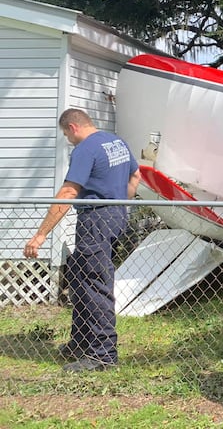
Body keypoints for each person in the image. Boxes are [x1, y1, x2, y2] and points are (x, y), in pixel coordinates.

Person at [23, 108, 140, 373]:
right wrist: (121, 205)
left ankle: (102, 355)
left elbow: (68, 191)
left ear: (73, 127)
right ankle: (81, 342)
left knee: (94, 286)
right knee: (79, 276)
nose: (68, 140)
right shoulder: (116, 141)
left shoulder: (86, 149)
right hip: (116, 216)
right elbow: (136, 175)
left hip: (95, 220)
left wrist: (41, 234)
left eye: (66, 135)